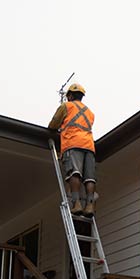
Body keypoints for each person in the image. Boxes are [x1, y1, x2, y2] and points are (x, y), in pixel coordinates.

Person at [48, 83, 97, 216]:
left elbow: (53, 125)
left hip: (73, 143)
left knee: (74, 173)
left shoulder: (66, 106)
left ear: (69, 96)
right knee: (89, 178)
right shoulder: (90, 112)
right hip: (89, 146)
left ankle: (76, 204)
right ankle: (90, 206)